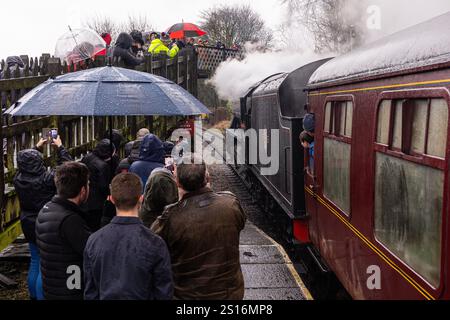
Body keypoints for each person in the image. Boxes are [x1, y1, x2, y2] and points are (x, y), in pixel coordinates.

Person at [151, 158, 246, 300]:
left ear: (177, 182)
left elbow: (153, 244)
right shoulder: (230, 205)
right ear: (207, 178)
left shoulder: (170, 218)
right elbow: (241, 222)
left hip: (187, 296)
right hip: (230, 294)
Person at [84, 173, 173, 300]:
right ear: (141, 199)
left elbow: (91, 292)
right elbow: (163, 292)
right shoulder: (155, 243)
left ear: (112, 199)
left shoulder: (94, 241)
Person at [13, 136, 72, 300]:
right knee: (45, 264)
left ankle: (33, 295)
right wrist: (60, 147)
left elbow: (26, 163)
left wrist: (36, 147)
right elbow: (66, 168)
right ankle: (41, 296)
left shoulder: (18, 179)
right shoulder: (46, 179)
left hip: (27, 221)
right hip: (45, 221)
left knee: (35, 260)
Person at [35, 161, 91, 300]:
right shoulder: (70, 220)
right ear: (83, 190)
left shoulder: (46, 208)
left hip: (52, 287)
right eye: (88, 183)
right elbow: (93, 251)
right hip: (70, 290)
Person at [81, 139, 115, 231]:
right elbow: (103, 186)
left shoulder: (86, 157)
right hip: (96, 203)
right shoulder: (103, 166)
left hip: (84, 198)